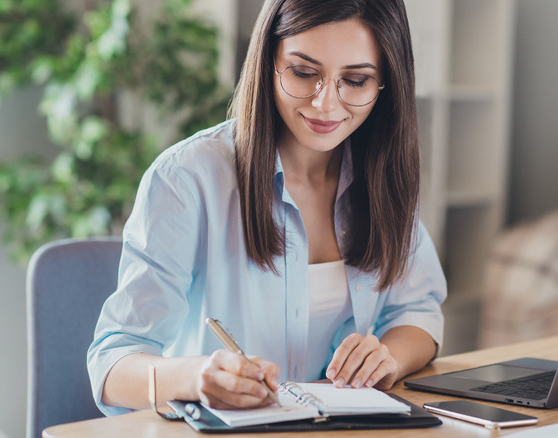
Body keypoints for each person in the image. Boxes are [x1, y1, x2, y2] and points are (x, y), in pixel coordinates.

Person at [87, 0, 446, 416]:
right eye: (303, 72)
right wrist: (198, 378)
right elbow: (110, 366)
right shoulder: (186, 179)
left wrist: (389, 357)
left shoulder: (381, 175)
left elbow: (418, 311)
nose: (326, 103)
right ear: (268, 62)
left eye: (356, 80)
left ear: (386, 82)